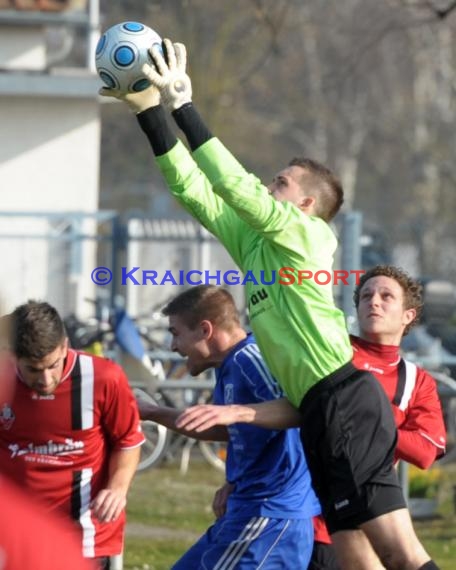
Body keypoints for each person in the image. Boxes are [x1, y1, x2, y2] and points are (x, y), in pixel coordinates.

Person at [100, 40, 438, 569]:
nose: (266, 184)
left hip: (345, 401)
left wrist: (184, 104)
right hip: (319, 408)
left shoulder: (307, 236)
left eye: (279, 182)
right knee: (353, 552)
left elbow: (234, 186)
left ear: (306, 204)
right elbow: (196, 191)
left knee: (397, 551)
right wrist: (149, 112)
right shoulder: (259, 244)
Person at [176, 265, 447, 570]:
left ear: (408, 315)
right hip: (305, 516)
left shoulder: (414, 380)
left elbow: (425, 451)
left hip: (366, 516)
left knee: (403, 558)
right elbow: (292, 413)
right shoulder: (329, 355)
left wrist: (361, 423)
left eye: (387, 296)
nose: (374, 301)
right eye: (366, 295)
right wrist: (236, 479)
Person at [137, 284, 321, 569]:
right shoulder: (231, 364)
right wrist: (152, 412)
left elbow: (298, 411)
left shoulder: (253, 360)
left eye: (175, 333)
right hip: (245, 509)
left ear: (205, 330)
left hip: (270, 517)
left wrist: (235, 412)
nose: (172, 346)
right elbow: (230, 429)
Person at [0, 300, 145, 570]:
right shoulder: (3, 381)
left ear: (65, 345)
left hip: (84, 534)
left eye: (52, 365)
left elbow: (128, 441)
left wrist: (117, 488)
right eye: (33, 369)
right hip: (14, 534)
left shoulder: (105, 377)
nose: (45, 379)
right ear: (13, 356)